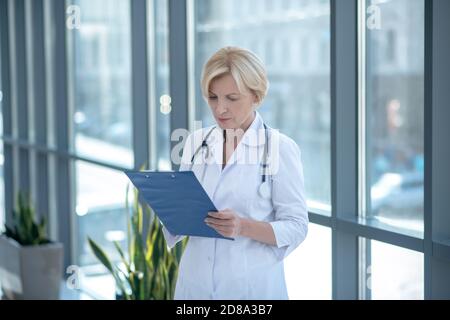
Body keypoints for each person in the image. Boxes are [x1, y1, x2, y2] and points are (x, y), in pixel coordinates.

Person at [162, 46, 308, 299]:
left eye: (232, 98)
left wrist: (242, 226)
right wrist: (173, 214)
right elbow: (181, 213)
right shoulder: (196, 142)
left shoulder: (279, 148)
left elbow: (297, 227)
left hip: (250, 289)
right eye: (213, 97)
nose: (220, 109)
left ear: (256, 96)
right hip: (194, 286)